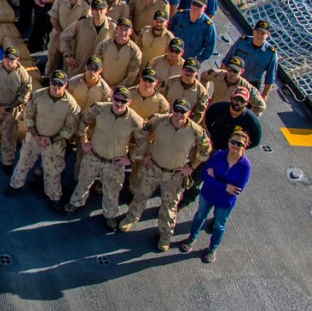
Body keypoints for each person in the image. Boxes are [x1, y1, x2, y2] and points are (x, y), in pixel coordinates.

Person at [119, 99, 211, 252]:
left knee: (169, 207)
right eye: (176, 110)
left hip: (174, 175)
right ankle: (131, 218)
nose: (179, 114)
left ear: (188, 113)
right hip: (153, 167)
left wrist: (191, 166)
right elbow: (143, 132)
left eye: (183, 112)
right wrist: (145, 152)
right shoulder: (159, 120)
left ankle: (165, 235)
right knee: (141, 194)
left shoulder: (196, 131)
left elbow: (205, 151)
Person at [64, 87, 145, 230]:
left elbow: (142, 143)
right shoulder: (99, 108)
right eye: (116, 99)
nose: (119, 104)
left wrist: (131, 159)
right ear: (112, 98)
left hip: (114, 163)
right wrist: (84, 141)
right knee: (83, 181)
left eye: (123, 101)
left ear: (129, 102)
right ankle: (76, 202)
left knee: (112, 192)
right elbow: (83, 121)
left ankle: (110, 215)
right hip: (93, 156)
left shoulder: (135, 121)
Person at [5, 71, 80, 211]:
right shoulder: (37, 95)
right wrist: (35, 135)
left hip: (54, 143)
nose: (56, 87)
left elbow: (69, 129)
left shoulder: (71, 105)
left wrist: (51, 139)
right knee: (23, 162)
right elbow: (28, 115)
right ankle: (15, 185)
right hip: (34, 138)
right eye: (54, 83)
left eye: (60, 84)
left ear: (66, 85)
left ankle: (54, 197)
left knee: (53, 171)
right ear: (50, 82)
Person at [178, 129, 252, 263]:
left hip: (225, 202)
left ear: (245, 146)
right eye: (233, 142)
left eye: (239, 144)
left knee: (219, 225)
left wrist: (215, 179)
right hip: (208, 194)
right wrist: (225, 186)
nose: (235, 145)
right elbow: (204, 176)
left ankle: (212, 248)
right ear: (229, 142)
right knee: (200, 216)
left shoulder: (245, 167)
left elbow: (237, 190)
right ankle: (192, 238)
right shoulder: (218, 155)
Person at [221, 19, 278, 97]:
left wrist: (264, 96)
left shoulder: (271, 54)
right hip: (234, 78)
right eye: (257, 32)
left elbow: (270, 78)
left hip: (252, 85)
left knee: (244, 107)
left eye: (263, 33)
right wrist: (221, 80)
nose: (259, 35)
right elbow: (226, 61)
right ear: (253, 31)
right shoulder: (241, 42)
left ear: (268, 34)